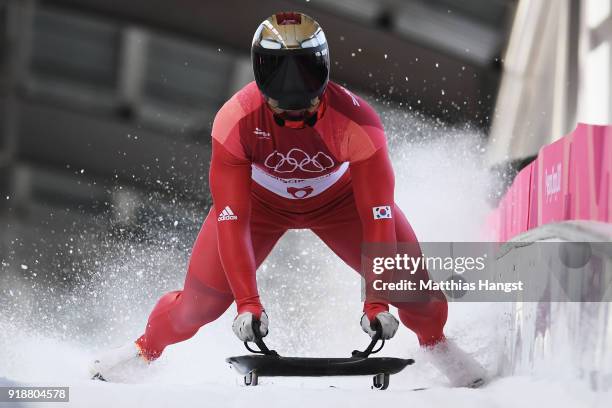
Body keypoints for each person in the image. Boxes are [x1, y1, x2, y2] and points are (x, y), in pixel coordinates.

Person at [90, 11, 485, 387]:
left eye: (303, 74)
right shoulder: (234, 121)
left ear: (325, 70)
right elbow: (232, 219)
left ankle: (436, 344)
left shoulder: (359, 123)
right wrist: (247, 302)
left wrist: (377, 303)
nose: (293, 90)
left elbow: (375, 218)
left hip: (341, 205)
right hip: (259, 209)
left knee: (416, 294)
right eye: (279, 74)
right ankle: (144, 350)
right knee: (199, 307)